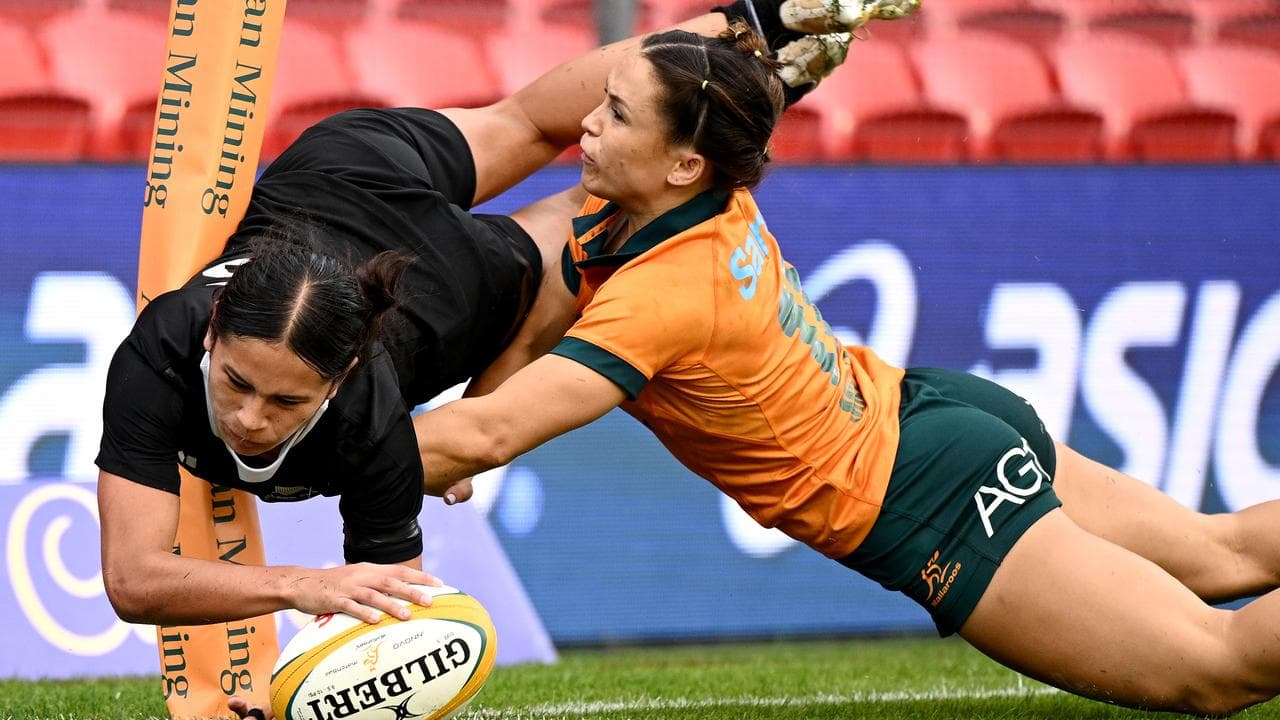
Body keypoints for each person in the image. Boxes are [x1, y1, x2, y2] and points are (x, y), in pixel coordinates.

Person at [414, 14, 1280, 719]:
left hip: (929, 500)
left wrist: (297, 456)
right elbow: (525, 350)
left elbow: (488, 435)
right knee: (1223, 551)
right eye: (601, 102)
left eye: (617, 114)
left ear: (686, 162)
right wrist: (455, 444)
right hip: (929, 417)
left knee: (1216, 668)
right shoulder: (652, 212)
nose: (587, 124)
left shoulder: (667, 294)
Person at [96, 0, 896, 634]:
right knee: (523, 128)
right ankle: (762, 26)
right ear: (210, 333)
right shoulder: (159, 348)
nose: (250, 421)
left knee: (568, 195)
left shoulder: (374, 422)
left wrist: (480, 401)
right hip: (332, 174)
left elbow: (399, 625)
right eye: (237, 383)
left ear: (342, 381)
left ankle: (725, 98)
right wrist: (307, 587)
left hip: (433, 266)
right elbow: (133, 578)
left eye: (285, 403)